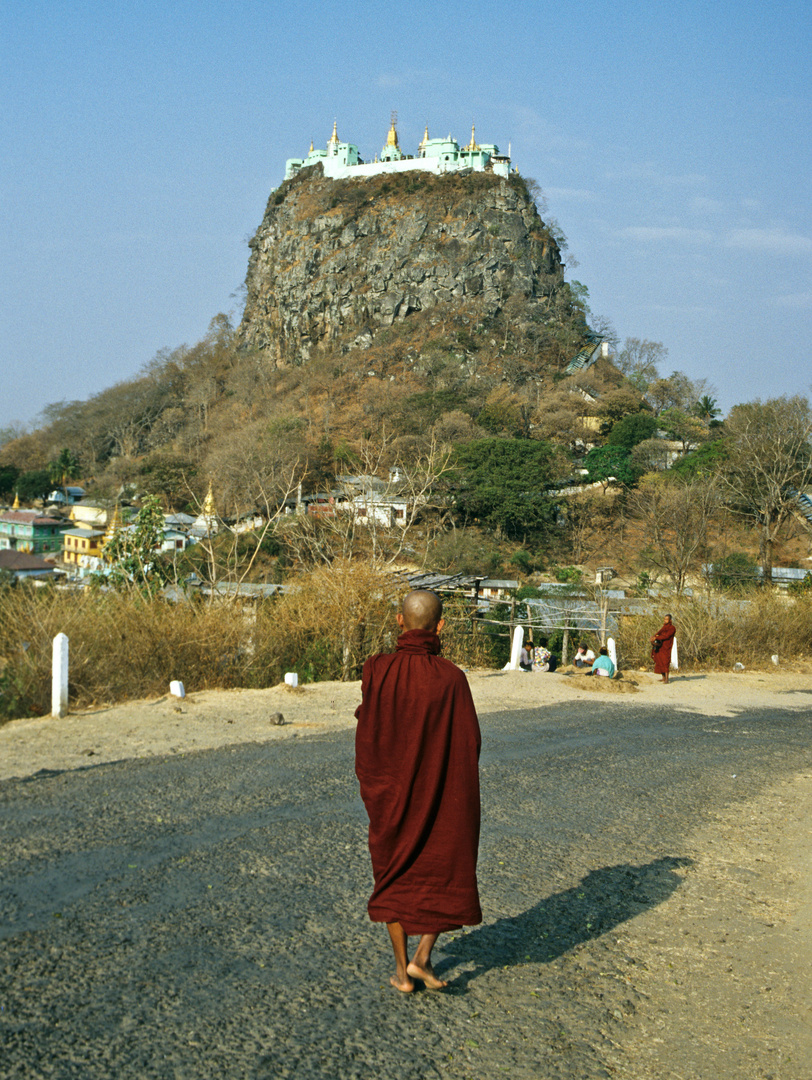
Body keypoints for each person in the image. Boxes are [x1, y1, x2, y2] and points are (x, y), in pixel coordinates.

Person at [355, 589, 482, 993]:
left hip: (389, 794)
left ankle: (403, 968)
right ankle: (422, 956)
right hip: (439, 792)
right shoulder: (452, 679)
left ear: (399, 621)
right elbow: (470, 742)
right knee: (445, 865)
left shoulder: (377, 669)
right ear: (440, 626)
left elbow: (369, 730)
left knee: (394, 871)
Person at [651, 613, 676, 683]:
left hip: (666, 646)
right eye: (664, 619)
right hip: (660, 646)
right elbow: (659, 633)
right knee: (659, 660)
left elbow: (666, 636)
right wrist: (654, 637)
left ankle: (667, 679)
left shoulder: (672, 628)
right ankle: (663, 677)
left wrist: (657, 637)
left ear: (670, 620)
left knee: (665, 661)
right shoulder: (664, 627)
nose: (665, 620)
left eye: (666, 619)